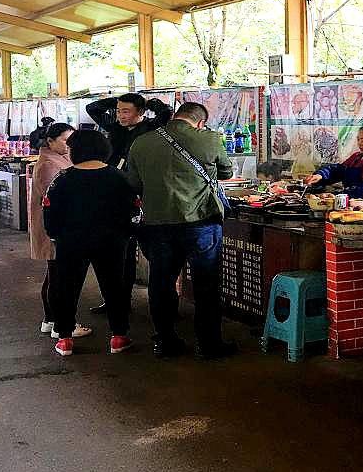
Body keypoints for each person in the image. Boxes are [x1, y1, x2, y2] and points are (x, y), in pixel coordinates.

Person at [126, 102, 235, 359]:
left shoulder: (141, 142)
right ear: (200, 122)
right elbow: (226, 172)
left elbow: (134, 183)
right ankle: (208, 344)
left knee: (161, 284)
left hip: (157, 225)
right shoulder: (209, 139)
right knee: (206, 284)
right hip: (201, 223)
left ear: (175, 116)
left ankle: (166, 342)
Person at [43, 130, 139, 357]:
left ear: (75, 151)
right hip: (112, 242)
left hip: (70, 243)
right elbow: (134, 210)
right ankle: (119, 337)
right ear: (105, 149)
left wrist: (56, 235)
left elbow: (49, 212)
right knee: (114, 287)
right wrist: (127, 234)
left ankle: (65, 339)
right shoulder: (119, 178)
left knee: (67, 287)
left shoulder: (63, 179)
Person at [85, 93, 172, 314]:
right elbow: (92, 108)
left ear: (140, 112)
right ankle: (118, 301)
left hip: (145, 195)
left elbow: (166, 113)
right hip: (117, 195)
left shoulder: (151, 127)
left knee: (155, 252)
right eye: (118, 111)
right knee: (120, 253)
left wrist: (151, 103)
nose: (120, 115)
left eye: (126, 111)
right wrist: (115, 101)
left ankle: (164, 306)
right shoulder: (115, 127)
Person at [28, 121, 93, 340]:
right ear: (50, 141)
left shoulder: (58, 159)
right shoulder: (49, 164)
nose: (69, 144)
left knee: (54, 276)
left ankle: (51, 320)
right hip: (56, 229)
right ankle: (62, 325)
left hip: (56, 227)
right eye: (65, 140)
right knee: (60, 278)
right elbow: (57, 199)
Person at [303, 123, 363, 198]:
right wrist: (320, 175)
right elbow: (338, 170)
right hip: (349, 200)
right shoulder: (357, 157)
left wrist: (338, 195)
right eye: (358, 139)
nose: (359, 143)